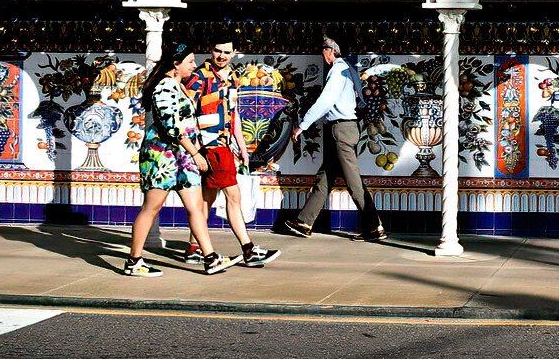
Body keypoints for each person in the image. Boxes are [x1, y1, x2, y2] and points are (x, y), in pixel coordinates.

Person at [124, 44, 241, 277]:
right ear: (176, 65)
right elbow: (172, 127)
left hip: (184, 156)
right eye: (189, 62)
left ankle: (210, 258)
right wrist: (196, 153)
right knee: (152, 207)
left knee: (196, 207)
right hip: (163, 156)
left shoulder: (178, 86)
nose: (194, 65)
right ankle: (134, 261)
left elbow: (189, 124)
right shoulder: (164, 88)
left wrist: (195, 150)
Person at [181, 38, 280, 267]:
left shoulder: (234, 78)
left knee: (207, 199)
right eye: (218, 51)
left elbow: (233, 115)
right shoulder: (199, 77)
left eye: (227, 52)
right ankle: (248, 249)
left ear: (234, 53)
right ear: (210, 50)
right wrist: (194, 147)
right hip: (211, 145)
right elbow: (186, 110)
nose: (222, 56)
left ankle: (194, 248)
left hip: (223, 144)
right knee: (233, 197)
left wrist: (243, 147)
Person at [284, 36, 386, 241]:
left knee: (352, 180)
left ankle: (375, 226)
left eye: (323, 49)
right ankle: (304, 222)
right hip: (340, 130)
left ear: (331, 50)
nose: (322, 53)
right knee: (325, 177)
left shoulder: (338, 70)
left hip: (342, 130)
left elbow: (325, 102)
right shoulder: (345, 69)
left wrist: (302, 126)